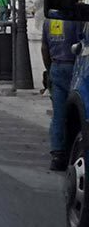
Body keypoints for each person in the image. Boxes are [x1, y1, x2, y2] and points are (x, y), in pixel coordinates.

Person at [43, 12, 83, 171]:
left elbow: (44, 47)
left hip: (56, 66)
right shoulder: (76, 17)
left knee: (58, 114)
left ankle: (57, 155)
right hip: (74, 66)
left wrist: (49, 68)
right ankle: (75, 151)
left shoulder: (49, 19)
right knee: (77, 112)